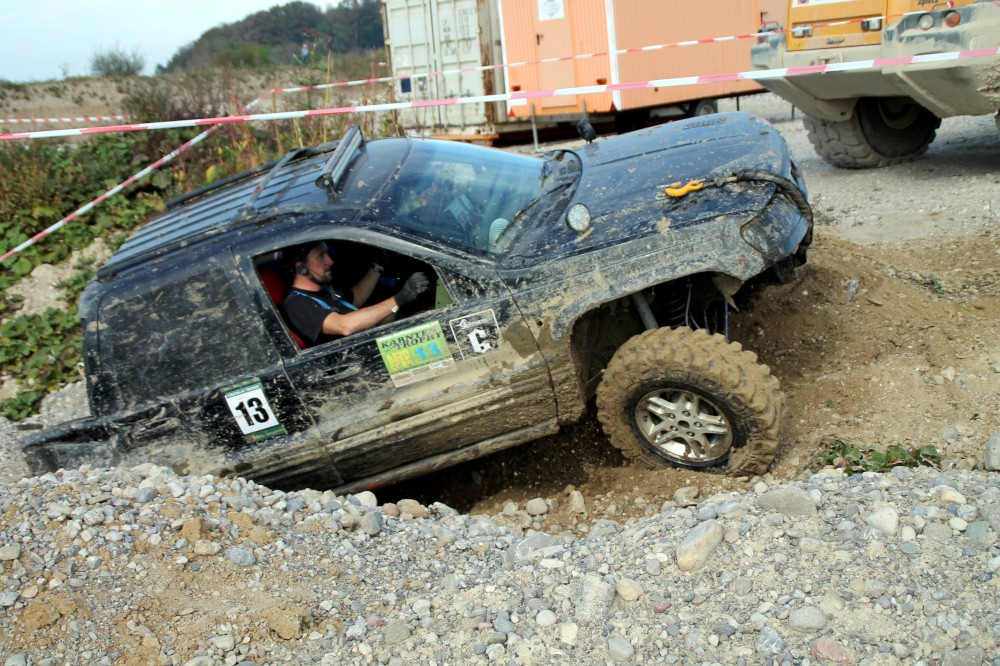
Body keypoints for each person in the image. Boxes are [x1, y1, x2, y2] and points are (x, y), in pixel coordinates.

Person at [282, 242, 429, 346]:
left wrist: (378, 266)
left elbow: (355, 299)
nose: (330, 261)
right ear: (301, 268)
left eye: (327, 253)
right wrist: (399, 298)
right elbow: (345, 326)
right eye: (321, 256)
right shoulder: (296, 303)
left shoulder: (323, 291)